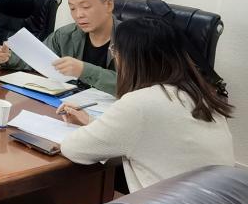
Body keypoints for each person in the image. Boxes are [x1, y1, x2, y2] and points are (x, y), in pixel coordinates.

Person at [58, 16, 234, 190]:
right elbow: (153, 136)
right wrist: (91, 122)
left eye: (115, 50)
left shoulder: (139, 104)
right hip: (220, 203)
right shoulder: (202, 95)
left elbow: (74, 149)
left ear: (130, 58)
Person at [0, 0, 118, 94]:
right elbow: (38, 58)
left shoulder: (128, 39)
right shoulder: (65, 35)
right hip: (71, 103)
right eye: (72, 8)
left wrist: (83, 70)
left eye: (86, 7)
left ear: (109, 5)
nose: (78, 15)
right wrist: (8, 58)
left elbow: (129, 84)